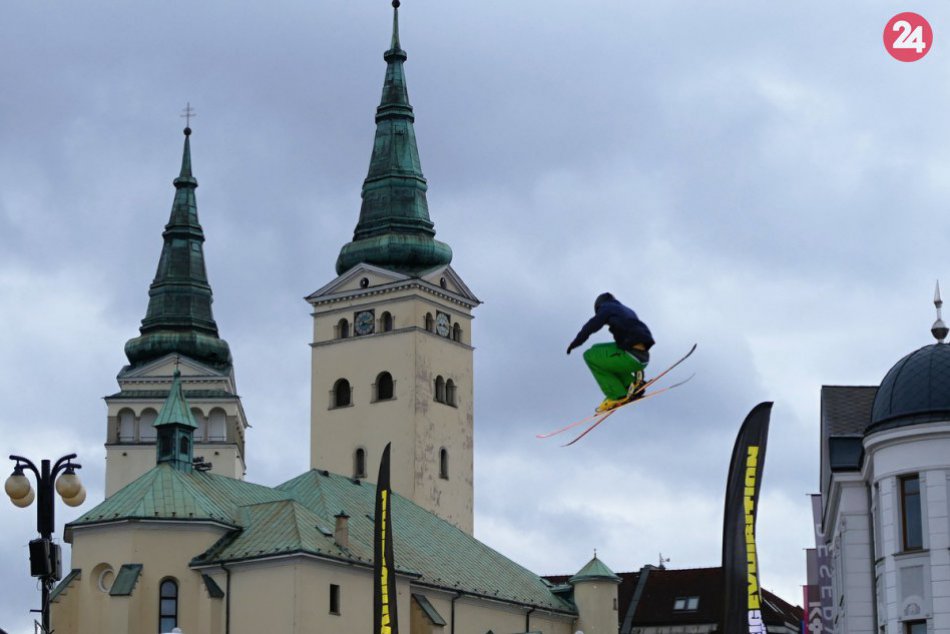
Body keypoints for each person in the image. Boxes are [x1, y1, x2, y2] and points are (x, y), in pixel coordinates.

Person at [566, 292, 654, 413]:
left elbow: (591, 326)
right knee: (596, 349)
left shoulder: (606, 308)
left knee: (589, 356)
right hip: (643, 356)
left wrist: (575, 343)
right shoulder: (627, 310)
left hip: (632, 356)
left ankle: (617, 395)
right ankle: (630, 383)